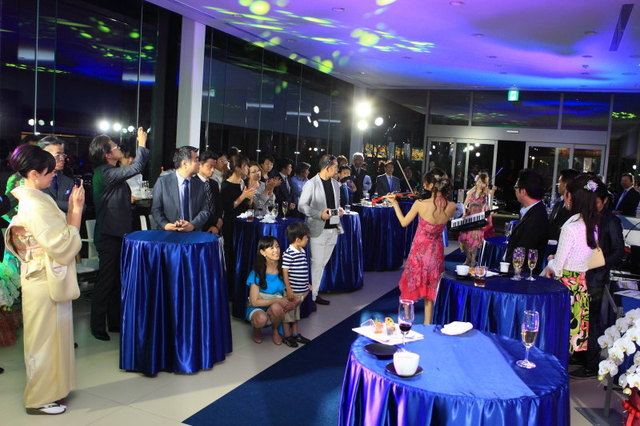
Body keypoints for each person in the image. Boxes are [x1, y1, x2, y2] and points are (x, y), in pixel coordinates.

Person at [5, 144, 84, 415]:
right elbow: (61, 245)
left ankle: (53, 390)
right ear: (35, 173)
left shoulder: (36, 198)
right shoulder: (35, 204)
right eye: (49, 171)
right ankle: (38, 399)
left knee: (52, 337)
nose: (53, 175)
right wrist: (75, 211)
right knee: (43, 340)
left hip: (44, 274)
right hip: (42, 277)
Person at [89, 128, 149, 341]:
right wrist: (142, 143)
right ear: (106, 154)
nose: (118, 148)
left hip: (118, 234)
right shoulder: (105, 172)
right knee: (106, 282)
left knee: (117, 281)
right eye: (114, 147)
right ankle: (97, 326)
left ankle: (114, 322)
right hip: (109, 235)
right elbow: (137, 166)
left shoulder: (109, 172)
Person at [568, 180, 625, 378]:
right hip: (580, 275)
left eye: (598, 202)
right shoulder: (585, 218)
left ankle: (591, 364)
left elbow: (618, 251)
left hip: (597, 277)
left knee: (592, 320)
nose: (594, 205)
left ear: (605, 200)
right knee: (579, 317)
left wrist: (600, 262)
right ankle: (580, 355)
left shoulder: (611, 221)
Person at [384, 170, 456, 324]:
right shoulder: (451, 206)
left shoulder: (420, 204)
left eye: (425, 183)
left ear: (430, 185)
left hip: (419, 252)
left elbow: (404, 222)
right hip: (436, 253)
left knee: (410, 288)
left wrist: (395, 204)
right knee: (430, 293)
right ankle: (427, 325)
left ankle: (405, 321)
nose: (423, 185)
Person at [545, 174, 601, 355]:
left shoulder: (570, 227)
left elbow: (558, 268)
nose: (563, 198)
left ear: (571, 197)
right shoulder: (592, 225)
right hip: (580, 288)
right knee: (569, 342)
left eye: (565, 194)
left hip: (565, 289)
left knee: (557, 339)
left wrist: (550, 260)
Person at [298, 155, 344, 307]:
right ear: (327, 167)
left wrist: (339, 211)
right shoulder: (311, 183)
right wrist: (319, 214)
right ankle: (310, 297)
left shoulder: (336, 184)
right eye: (336, 166)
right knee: (316, 264)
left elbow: (335, 204)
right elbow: (302, 206)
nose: (337, 169)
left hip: (333, 228)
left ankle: (314, 293)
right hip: (317, 230)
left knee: (322, 264)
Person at [246, 236, 296, 345]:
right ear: (262, 252)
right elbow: (254, 302)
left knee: (277, 308)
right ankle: (256, 328)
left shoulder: (284, 269)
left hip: (276, 306)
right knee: (261, 319)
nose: (276, 250)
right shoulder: (256, 272)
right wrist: (277, 300)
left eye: (277, 246)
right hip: (258, 307)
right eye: (271, 248)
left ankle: (275, 330)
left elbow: (291, 290)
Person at [151, 146, 209, 232]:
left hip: (193, 233)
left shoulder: (200, 185)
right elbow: (156, 209)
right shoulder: (163, 182)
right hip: (168, 233)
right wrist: (166, 225)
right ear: (185, 164)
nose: (199, 163)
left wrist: (193, 225)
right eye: (196, 160)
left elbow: (205, 210)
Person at [221, 156, 257, 287]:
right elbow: (228, 207)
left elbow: (247, 206)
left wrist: (250, 198)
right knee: (232, 255)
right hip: (231, 224)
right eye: (245, 166)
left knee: (243, 254)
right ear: (237, 168)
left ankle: (242, 285)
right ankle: (231, 287)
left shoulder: (243, 182)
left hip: (243, 224)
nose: (247, 169)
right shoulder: (226, 185)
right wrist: (243, 196)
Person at [505, 169, 549, 275]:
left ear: (523, 191)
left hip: (521, 274)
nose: (515, 190)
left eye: (516, 187)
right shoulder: (533, 211)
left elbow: (524, 252)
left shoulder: (536, 218)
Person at [281, 222, 312, 347]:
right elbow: (285, 271)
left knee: (295, 314)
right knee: (288, 315)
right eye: (306, 238)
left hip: (301, 290)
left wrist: (306, 283)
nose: (307, 240)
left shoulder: (302, 251)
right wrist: (289, 289)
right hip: (293, 291)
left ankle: (295, 334)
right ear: (298, 240)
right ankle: (287, 336)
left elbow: (303, 269)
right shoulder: (289, 253)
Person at [458, 172, 495, 266]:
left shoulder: (487, 193)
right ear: (476, 181)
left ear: (486, 184)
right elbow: (464, 205)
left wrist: (492, 192)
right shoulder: (471, 192)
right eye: (479, 181)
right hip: (469, 217)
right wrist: (464, 213)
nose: (480, 184)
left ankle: (473, 260)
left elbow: (489, 206)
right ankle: (468, 257)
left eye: (483, 183)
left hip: (479, 219)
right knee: (463, 238)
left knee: (474, 239)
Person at [37, 136, 75, 212]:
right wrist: (69, 205)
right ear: (44, 156)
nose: (62, 159)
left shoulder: (68, 181)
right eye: (58, 155)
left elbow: (81, 206)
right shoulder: (33, 179)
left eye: (63, 155)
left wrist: (49, 202)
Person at [549, 169, 581, 246]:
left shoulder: (577, 209)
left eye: (560, 182)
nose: (558, 185)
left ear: (565, 185)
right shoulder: (558, 204)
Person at [196, 151, 223, 234]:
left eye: (214, 167)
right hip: (199, 228)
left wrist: (218, 221)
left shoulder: (214, 183)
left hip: (216, 226)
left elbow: (218, 205)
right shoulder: (193, 183)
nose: (213, 170)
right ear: (200, 165)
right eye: (210, 166)